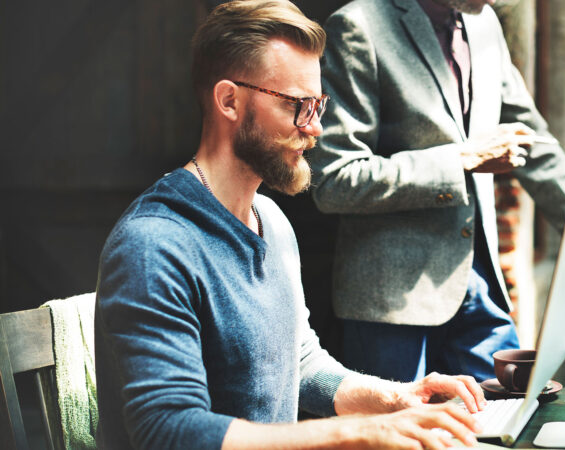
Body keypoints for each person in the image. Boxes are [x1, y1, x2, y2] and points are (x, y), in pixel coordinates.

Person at [94, 2, 487, 449]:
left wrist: (396, 398)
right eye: (298, 106)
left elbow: (300, 363)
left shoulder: (272, 221)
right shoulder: (153, 245)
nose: (316, 128)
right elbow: (168, 431)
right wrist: (361, 432)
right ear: (229, 100)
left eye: (318, 105)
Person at [309, 0, 565, 383]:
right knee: (402, 438)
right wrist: (461, 160)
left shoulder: (485, 24)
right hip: (391, 308)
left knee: (510, 425)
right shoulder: (358, 26)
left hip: (481, 289)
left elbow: (536, 148)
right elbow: (335, 181)